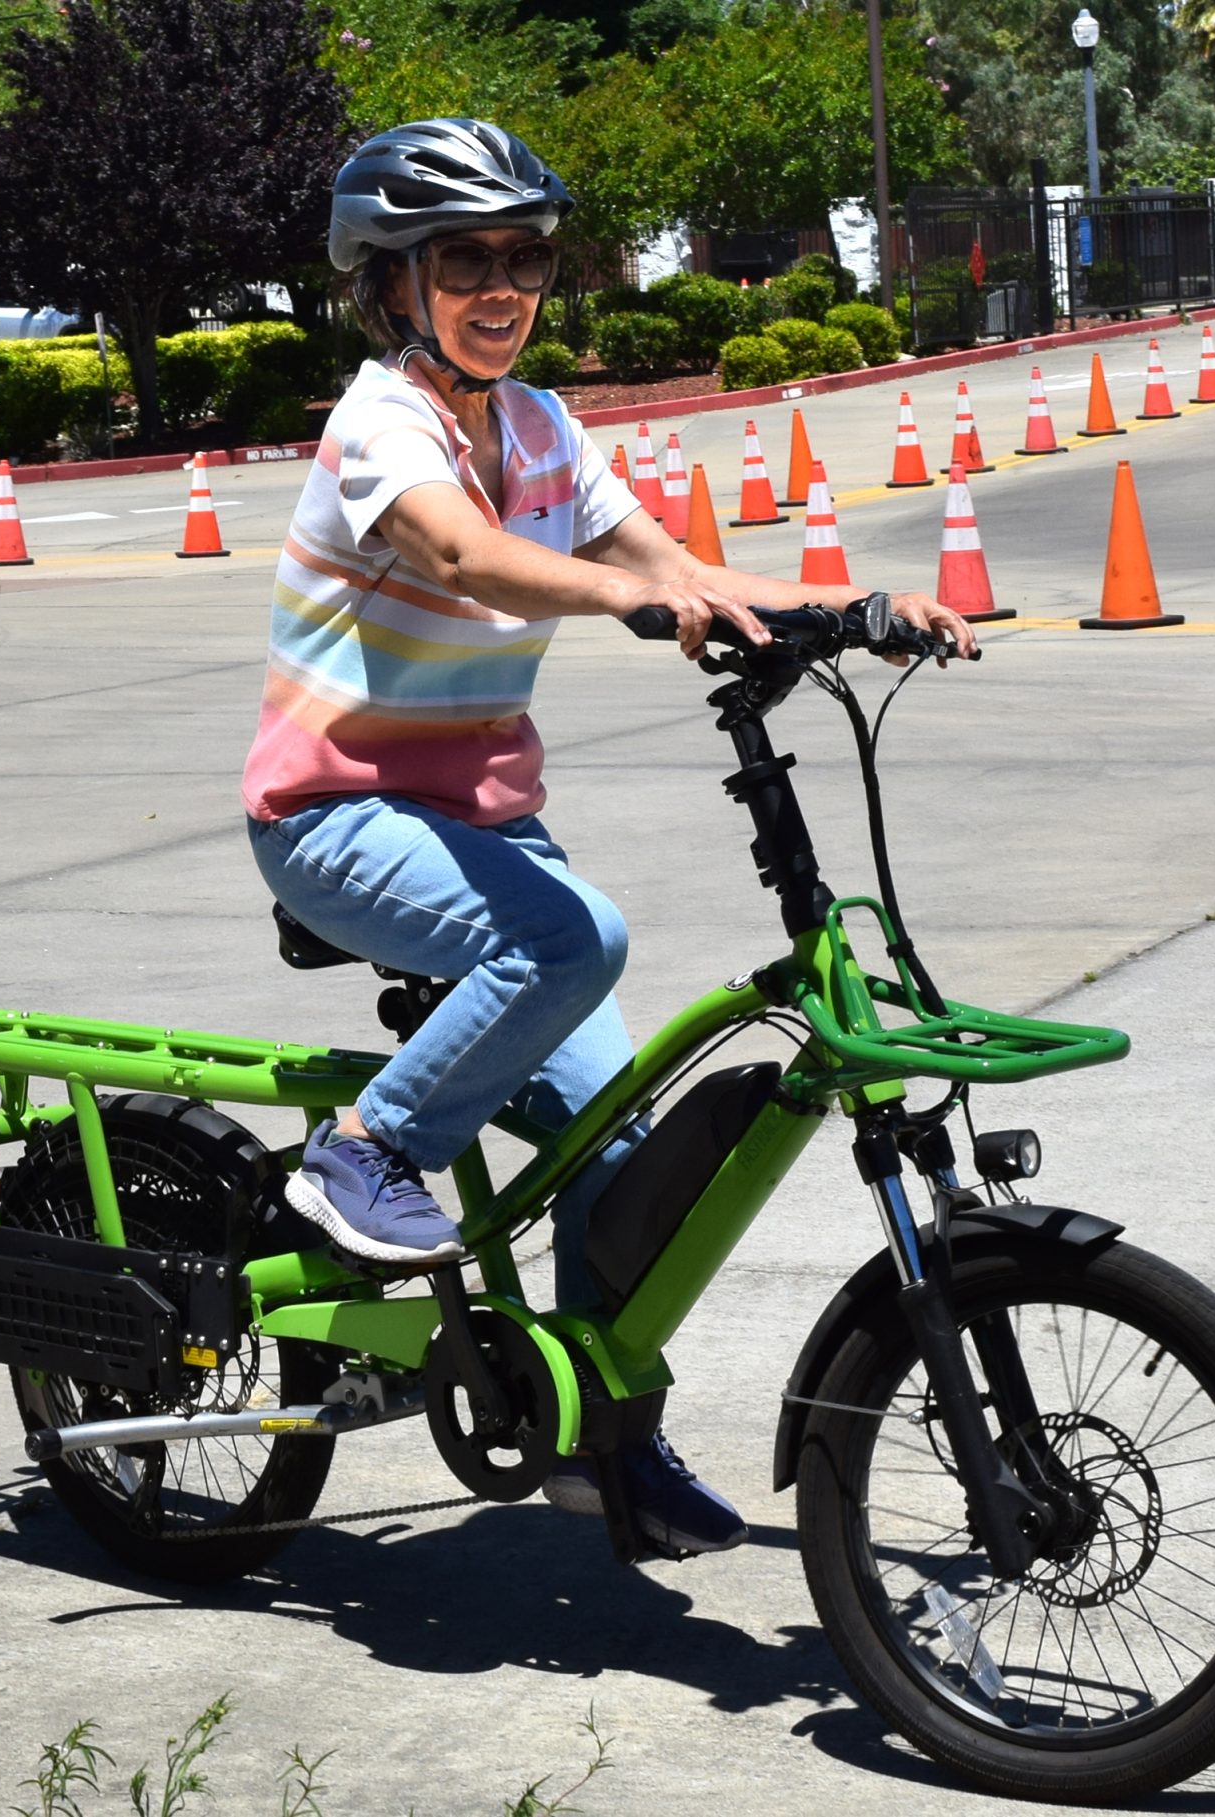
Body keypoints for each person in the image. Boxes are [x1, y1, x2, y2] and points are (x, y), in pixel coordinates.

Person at [243, 118, 975, 1554]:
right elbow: (465, 553)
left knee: (612, 1131)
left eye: (526, 256)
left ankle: (601, 1448)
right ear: (397, 282)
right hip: (334, 815)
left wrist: (851, 608)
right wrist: (621, 603)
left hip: (478, 820)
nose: (501, 283)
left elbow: (675, 570)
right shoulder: (381, 423)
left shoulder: (540, 427)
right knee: (579, 938)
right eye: (466, 258)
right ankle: (363, 1153)